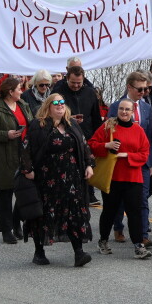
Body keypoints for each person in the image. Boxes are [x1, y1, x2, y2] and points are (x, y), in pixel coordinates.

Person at [21, 94, 95, 267]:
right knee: (44, 214)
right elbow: (26, 147)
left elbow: (84, 146)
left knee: (74, 213)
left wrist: (89, 164)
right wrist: (27, 169)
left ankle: (79, 253)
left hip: (71, 178)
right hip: (47, 178)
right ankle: (39, 252)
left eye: (63, 102)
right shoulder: (38, 126)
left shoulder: (72, 124)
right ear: (48, 106)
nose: (60, 105)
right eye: (56, 103)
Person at [90, 98, 152, 259]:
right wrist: (106, 146)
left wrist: (127, 155)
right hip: (113, 176)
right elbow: (92, 144)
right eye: (121, 109)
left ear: (132, 112)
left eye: (127, 110)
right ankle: (103, 240)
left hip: (133, 177)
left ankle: (138, 245)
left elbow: (144, 153)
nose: (124, 112)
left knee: (134, 212)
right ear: (117, 110)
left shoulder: (138, 130)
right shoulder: (108, 126)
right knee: (110, 211)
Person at [0, 77, 33, 244]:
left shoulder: (23, 105)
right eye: (19, 88)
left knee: (23, 191)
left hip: (22, 154)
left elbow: (31, 125)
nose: (21, 91)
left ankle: (17, 221)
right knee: (4, 194)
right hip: (2, 155)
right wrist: (6, 135)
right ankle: (6, 229)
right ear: (10, 92)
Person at [107, 71, 152, 246]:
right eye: (140, 89)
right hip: (120, 160)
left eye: (146, 89)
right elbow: (108, 131)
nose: (143, 92)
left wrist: (149, 162)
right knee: (120, 198)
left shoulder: (147, 108)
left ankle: (142, 234)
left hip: (140, 160)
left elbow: (149, 137)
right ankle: (118, 226)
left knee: (142, 197)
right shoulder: (116, 106)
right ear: (129, 87)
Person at [57, 66, 104, 204]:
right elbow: (51, 116)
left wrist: (98, 138)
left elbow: (96, 118)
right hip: (66, 137)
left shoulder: (90, 93)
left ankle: (88, 194)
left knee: (87, 166)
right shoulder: (58, 92)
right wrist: (68, 118)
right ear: (67, 79)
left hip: (87, 136)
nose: (76, 86)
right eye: (73, 83)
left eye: (79, 83)